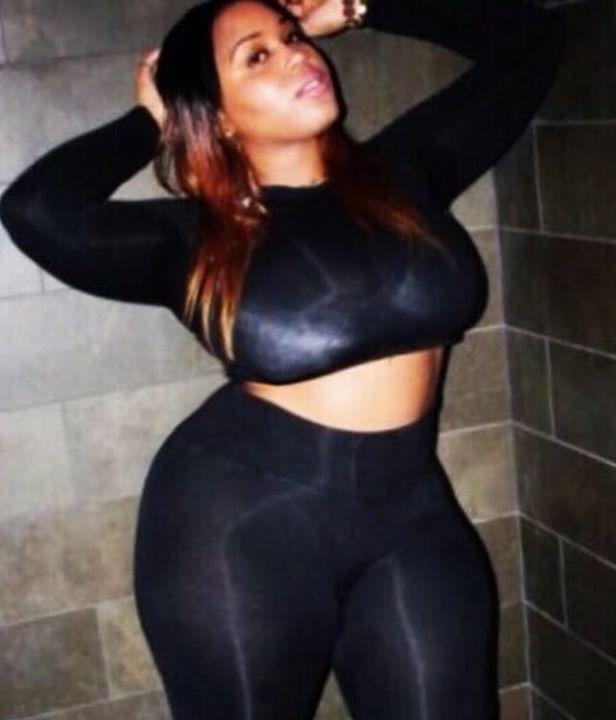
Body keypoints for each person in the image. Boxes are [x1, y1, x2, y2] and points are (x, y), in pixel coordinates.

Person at [0, 0, 566, 716]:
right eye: (257, 55)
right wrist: (154, 119)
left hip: (411, 512)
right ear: (218, 116)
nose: (298, 54)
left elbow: (531, 38)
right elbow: (37, 211)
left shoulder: (404, 172)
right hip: (242, 524)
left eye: (291, 36)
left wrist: (360, 7)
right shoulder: (194, 238)